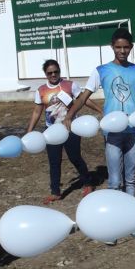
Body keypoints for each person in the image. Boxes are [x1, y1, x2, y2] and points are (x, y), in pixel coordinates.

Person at [63, 28, 135, 242]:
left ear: (131, 48)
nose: (122, 50)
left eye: (126, 47)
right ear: (112, 47)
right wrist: (70, 114)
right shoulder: (101, 70)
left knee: (130, 179)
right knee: (114, 180)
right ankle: (112, 226)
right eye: (118, 47)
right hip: (112, 132)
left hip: (134, 131)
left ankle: (131, 222)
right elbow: (84, 95)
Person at [25, 59, 100, 204]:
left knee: (75, 157)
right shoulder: (41, 90)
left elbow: (84, 100)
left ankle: (87, 183)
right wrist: (29, 131)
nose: (53, 75)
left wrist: (101, 110)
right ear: (45, 74)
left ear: (59, 71)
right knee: (54, 161)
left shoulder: (69, 85)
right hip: (51, 132)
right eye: (50, 73)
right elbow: (36, 112)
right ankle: (55, 192)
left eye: (56, 72)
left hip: (71, 128)